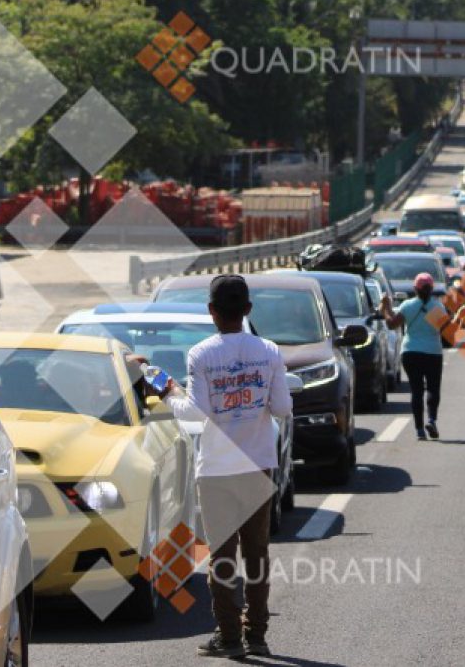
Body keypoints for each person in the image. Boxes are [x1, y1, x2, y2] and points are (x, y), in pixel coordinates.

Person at [164, 275, 293, 659]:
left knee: (222, 556)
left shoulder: (201, 354)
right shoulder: (269, 351)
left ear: (211, 312)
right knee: (257, 554)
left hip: (217, 470)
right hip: (259, 464)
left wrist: (168, 392)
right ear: (248, 310)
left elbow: (194, 413)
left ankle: (229, 636)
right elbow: (283, 409)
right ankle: (257, 634)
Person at [380, 273, 465, 440]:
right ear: (432, 289)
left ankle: (419, 430)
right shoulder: (437, 308)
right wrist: (458, 317)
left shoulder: (408, 305)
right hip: (432, 353)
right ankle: (432, 420)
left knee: (417, 391)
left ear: (415, 289)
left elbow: (392, 324)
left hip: (410, 352)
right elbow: (448, 332)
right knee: (433, 389)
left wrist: (385, 308)